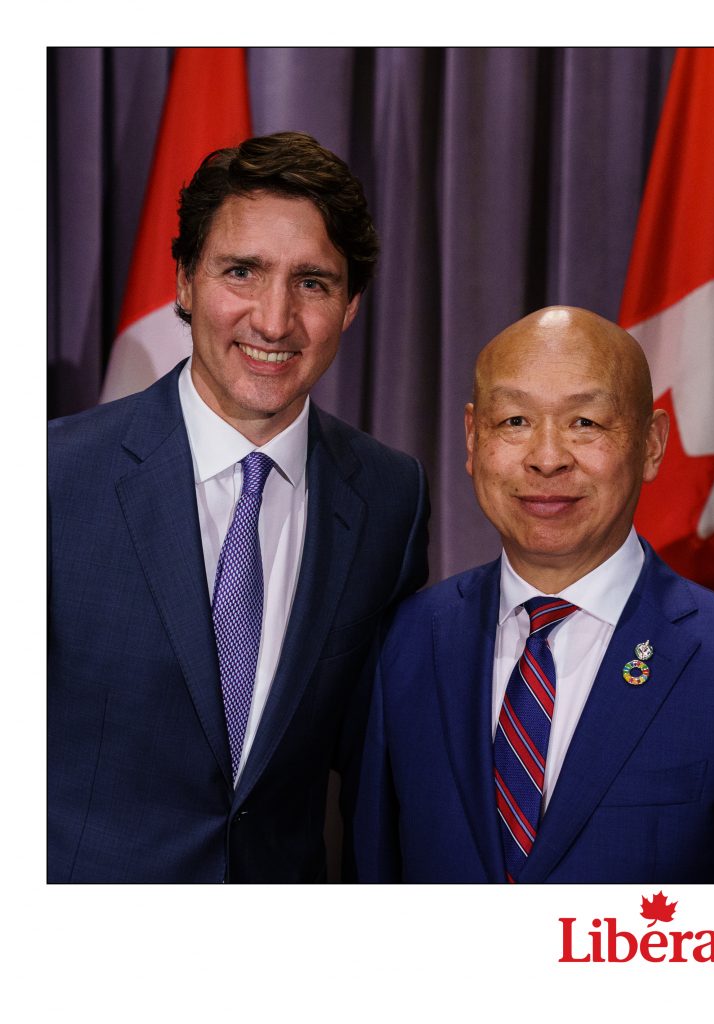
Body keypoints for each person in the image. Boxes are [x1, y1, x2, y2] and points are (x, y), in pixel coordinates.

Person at [48, 132, 430, 883]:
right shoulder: (51, 476)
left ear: (350, 305)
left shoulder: (391, 497)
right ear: (186, 282)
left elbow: (374, 772)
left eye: (312, 283)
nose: (273, 319)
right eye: (242, 272)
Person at [354, 306, 714, 884]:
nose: (546, 457)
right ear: (471, 437)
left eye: (586, 422)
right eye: (513, 421)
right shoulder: (407, 641)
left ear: (652, 443)